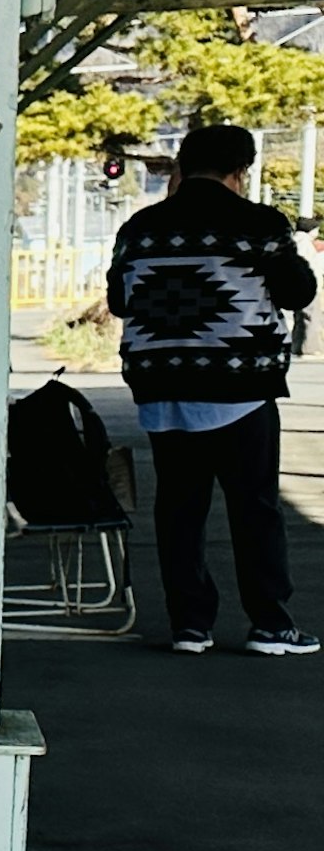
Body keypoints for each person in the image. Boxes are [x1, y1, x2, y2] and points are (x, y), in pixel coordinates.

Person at [106, 118, 317, 653]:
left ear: (181, 167)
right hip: (239, 387)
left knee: (179, 509)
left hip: (163, 391)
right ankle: (270, 624)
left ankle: (190, 626)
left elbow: (119, 300)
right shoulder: (259, 224)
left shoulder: (139, 228)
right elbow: (298, 292)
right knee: (254, 509)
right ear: (240, 171)